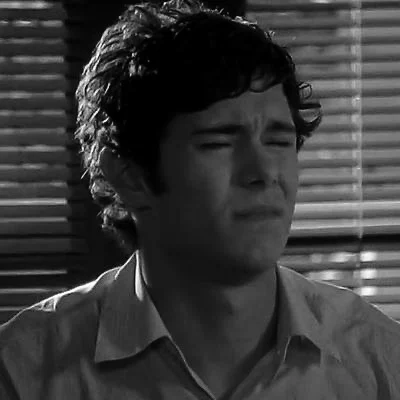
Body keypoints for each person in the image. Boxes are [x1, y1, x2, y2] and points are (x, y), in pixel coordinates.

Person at [1, 0, 400, 398]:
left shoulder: (379, 361)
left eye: (278, 141)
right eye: (218, 143)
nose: (263, 173)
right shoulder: (24, 371)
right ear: (130, 175)